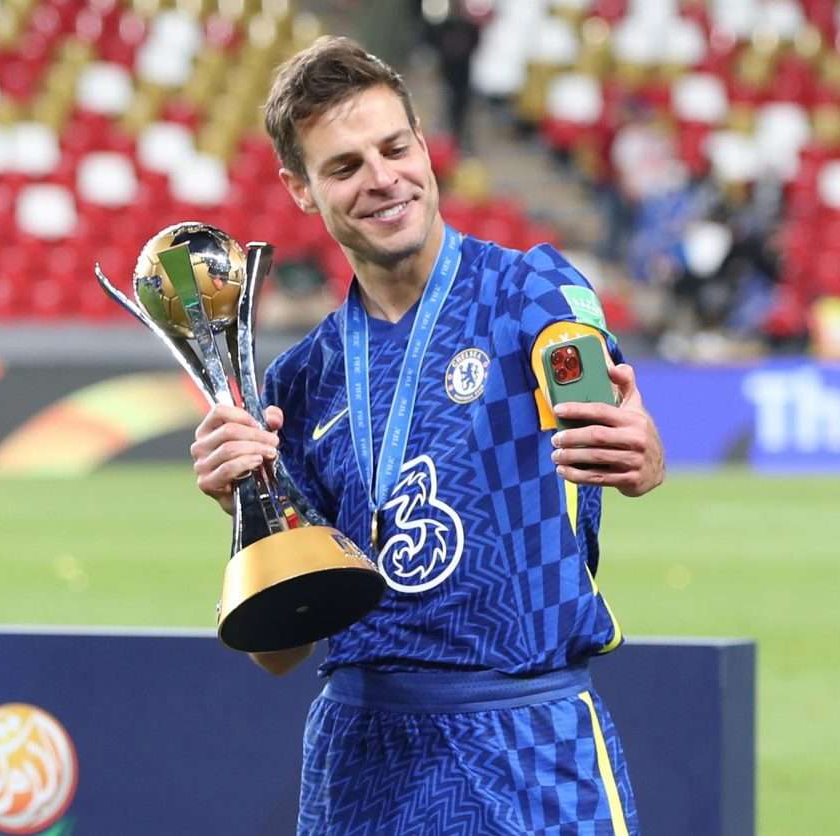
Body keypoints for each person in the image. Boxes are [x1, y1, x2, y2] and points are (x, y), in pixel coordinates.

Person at [189, 36, 665, 836]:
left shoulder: (533, 291)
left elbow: (600, 411)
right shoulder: (301, 384)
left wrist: (637, 445)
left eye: (395, 147)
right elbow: (278, 652)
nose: (382, 179)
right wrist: (248, 513)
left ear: (424, 144)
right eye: (343, 167)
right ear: (300, 190)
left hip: (531, 744)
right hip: (362, 759)